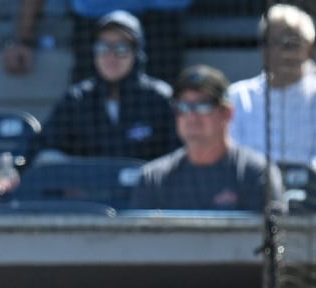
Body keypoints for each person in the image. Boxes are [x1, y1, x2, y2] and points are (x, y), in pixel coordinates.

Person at [129, 65, 284, 212]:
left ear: (227, 113)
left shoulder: (256, 173)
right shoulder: (154, 178)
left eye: (203, 106)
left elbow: (273, 236)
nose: (191, 116)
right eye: (183, 107)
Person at [29, 12, 177, 163]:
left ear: (137, 53)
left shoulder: (159, 98)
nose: (110, 56)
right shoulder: (77, 99)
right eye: (103, 47)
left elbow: (178, 155)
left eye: (121, 48)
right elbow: (43, 147)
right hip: (88, 186)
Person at [2, 0, 189, 90]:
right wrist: (24, 38)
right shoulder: (79, 99)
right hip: (93, 18)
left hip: (162, 23)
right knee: (88, 107)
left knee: (158, 108)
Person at [227, 4, 316, 168]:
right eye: (275, 42)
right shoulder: (238, 97)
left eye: (293, 42)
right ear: (263, 48)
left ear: (310, 47)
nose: (284, 52)